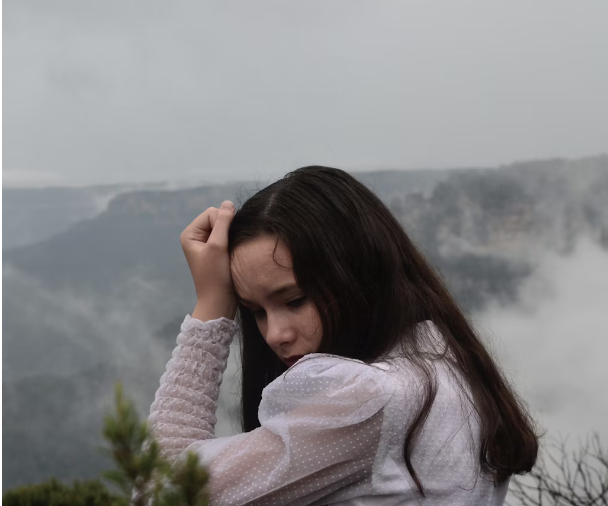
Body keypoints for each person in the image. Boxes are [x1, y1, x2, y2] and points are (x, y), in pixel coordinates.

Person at [148, 166, 539, 505]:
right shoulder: (440, 357)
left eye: (296, 300)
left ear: (358, 275)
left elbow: (158, 486)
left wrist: (213, 305)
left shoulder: (366, 400)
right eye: (256, 312)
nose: (275, 335)